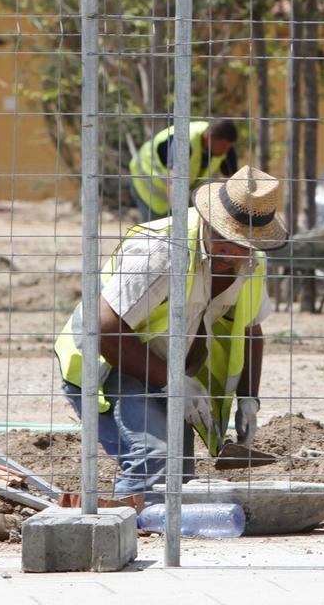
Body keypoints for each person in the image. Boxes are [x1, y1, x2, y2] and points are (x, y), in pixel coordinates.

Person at [55, 166, 287, 501]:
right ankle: (128, 537)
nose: (233, 255)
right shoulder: (162, 249)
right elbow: (103, 328)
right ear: (208, 221)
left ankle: (166, 534)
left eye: (244, 245)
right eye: (225, 241)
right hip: (111, 363)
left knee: (178, 475)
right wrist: (173, 382)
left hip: (167, 369)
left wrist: (249, 398)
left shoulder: (250, 264)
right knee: (155, 459)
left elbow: (251, 329)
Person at [129, 118, 240, 220]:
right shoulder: (184, 140)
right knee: (155, 233)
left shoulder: (224, 145)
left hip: (176, 191)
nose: (226, 151)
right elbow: (175, 181)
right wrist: (179, 220)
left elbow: (233, 182)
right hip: (145, 184)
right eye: (223, 146)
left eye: (229, 147)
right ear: (209, 136)